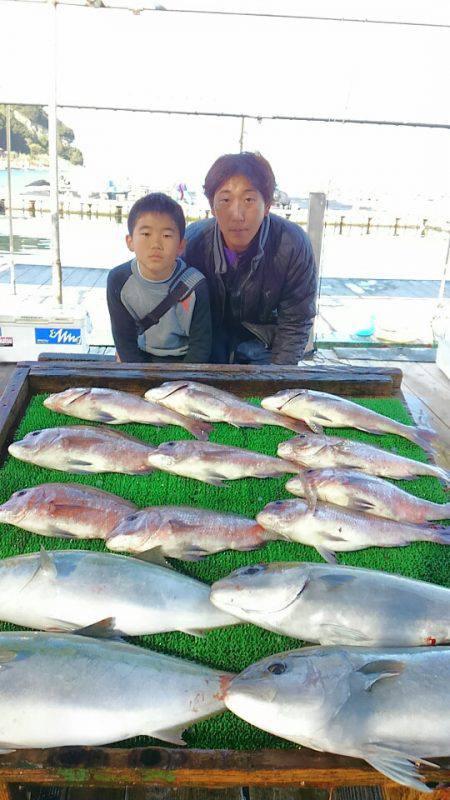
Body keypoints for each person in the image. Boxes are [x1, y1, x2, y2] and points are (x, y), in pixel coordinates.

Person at [184, 152, 317, 364]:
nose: (237, 214)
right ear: (212, 207)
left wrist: (276, 379)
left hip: (262, 340)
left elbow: (296, 322)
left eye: (249, 200)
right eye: (225, 199)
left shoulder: (292, 243)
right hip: (206, 338)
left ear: (268, 206)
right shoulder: (192, 242)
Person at [107, 193, 212, 363]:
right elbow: (124, 341)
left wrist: (180, 383)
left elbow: (201, 347)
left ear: (181, 246)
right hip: (142, 355)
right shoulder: (118, 280)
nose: (156, 244)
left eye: (167, 236)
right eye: (146, 234)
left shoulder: (195, 284)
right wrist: (138, 377)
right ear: (130, 241)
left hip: (184, 359)